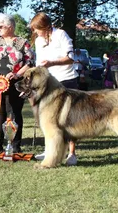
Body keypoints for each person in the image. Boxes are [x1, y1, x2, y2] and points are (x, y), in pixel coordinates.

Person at [28, 12, 78, 166]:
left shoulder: (61, 34)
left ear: (46, 26)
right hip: (47, 84)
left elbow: (71, 58)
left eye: (37, 29)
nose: (35, 32)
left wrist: (52, 63)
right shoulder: (38, 40)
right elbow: (39, 64)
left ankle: (72, 153)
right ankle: (49, 150)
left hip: (66, 79)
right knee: (47, 119)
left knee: (69, 118)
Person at [0, 13, 35, 153]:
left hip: (15, 82)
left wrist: (18, 73)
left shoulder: (22, 43)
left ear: (10, 27)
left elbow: (30, 62)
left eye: (1, 27)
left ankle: (15, 144)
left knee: (15, 112)